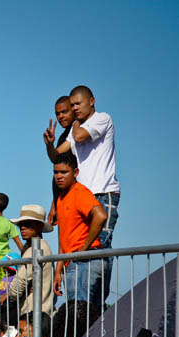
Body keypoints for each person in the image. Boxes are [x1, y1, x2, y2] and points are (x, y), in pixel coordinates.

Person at [49, 85, 119, 249]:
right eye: (72, 105)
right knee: (82, 245)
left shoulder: (102, 118)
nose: (75, 108)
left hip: (102, 191)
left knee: (100, 244)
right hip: (82, 195)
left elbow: (80, 137)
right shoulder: (75, 130)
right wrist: (49, 144)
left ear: (92, 101)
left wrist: (75, 123)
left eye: (78, 104)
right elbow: (56, 156)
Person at [52, 153, 110, 307]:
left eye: (64, 172)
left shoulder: (79, 192)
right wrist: (58, 271)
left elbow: (101, 216)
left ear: (75, 173)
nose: (59, 176)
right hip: (75, 262)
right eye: (56, 172)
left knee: (79, 316)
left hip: (85, 261)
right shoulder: (61, 198)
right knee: (88, 318)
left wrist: (83, 248)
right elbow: (63, 238)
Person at [5, 204, 55, 315]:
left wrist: (11, 296)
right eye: (21, 225)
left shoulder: (36, 249)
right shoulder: (41, 247)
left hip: (32, 313)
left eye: (27, 224)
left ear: (40, 227)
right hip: (40, 311)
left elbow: (19, 283)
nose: (22, 227)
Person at [43, 96, 75, 225]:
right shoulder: (63, 137)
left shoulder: (79, 132)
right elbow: (57, 165)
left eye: (64, 112)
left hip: (75, 197)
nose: (60, 116)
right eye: (57, 113)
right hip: (62, 199)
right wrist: (55, 204)